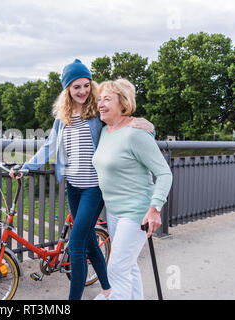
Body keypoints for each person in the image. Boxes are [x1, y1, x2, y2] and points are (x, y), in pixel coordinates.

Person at [9, 59, 154, 300]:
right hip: (73, 187)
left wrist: (150, 127)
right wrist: (26, 167)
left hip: (94, 188)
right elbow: (49, 147)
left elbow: (126, 126)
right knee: (88, 242)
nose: (83, 91)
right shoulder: (62, 119)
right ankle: (108, 289)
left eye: (86, 85)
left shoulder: (97, 114)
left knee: (75, 245)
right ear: (67, 89)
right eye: (76, 86)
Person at [92, 78, 173, 300]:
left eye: (107, 99)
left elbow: (164, 173)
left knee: (116, 270)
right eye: (99, 99)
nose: (100, 104)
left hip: (137, 212)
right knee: (128, 266)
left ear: (123, 103)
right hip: (115, 211)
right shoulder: (104, 131)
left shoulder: (135, 132)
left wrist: (155, 208)